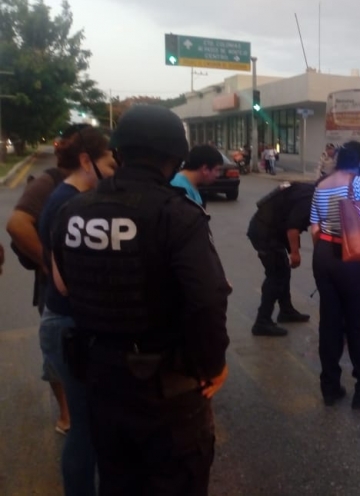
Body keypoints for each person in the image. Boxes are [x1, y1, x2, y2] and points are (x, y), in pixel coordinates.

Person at [50, 105, 231, 495]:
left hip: (101, 380)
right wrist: (213, 365)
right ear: (175, 157)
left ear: (118, 152)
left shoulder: (72, 211)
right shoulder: (176, 214)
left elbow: (65, 283)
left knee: (118, 482)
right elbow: (208, 298)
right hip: (165, 387)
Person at [38, 125, 118, 495]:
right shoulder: (66, 206)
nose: (114, 173)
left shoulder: (71, 200)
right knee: (85, 429)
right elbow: (64, 282)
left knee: (91, 425)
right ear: (87, 162)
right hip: (67, 324)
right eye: (109, 165)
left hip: (69, 322)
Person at [310, 141, 360, 408]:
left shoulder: (321, 185)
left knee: (329, 323)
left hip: (323, 255)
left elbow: (314, 227)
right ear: (359, 163)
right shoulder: (359, 183)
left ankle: (330, 387)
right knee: (357, 325)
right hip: (351, 258)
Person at [6, 133, 75, 435]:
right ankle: (66, 412)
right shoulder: (49, 183)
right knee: (57, 348)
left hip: (84, 286)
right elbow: (17, 225)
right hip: (53, 287)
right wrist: (49, 265)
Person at [247, 182, 315, 336]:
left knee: (283, 270)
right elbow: (293, 227)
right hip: (265, 232)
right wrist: (295, 253)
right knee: (276, 275)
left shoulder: (306, 188)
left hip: (268, 229)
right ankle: (262, 321)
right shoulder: (311, 197)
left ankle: (286, 310)